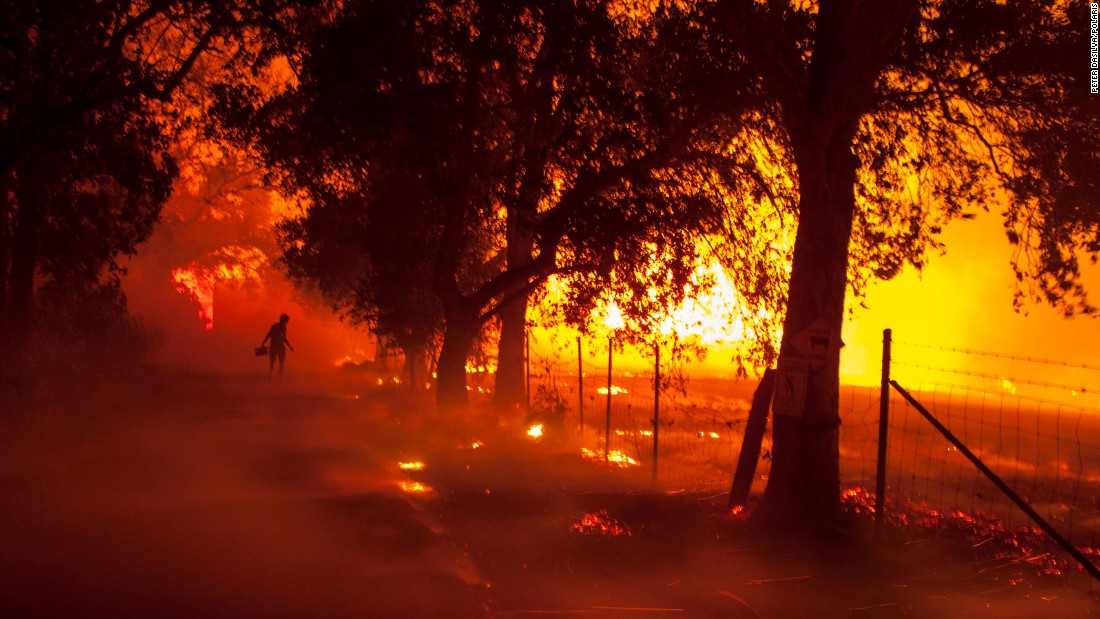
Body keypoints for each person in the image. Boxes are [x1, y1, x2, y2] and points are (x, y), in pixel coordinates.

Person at [260, 313, 294, 379]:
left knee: (273, 361)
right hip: (279, 346)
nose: (287, 322)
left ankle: (270, 376)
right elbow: (284, 338)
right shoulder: (283, 327)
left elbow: (269, 335)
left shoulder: (275, 326)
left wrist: (263, 344)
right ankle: (278, 378)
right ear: (284, 320)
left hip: (274, 346)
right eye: (287, 320)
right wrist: (290, 347)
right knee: (281, 362)